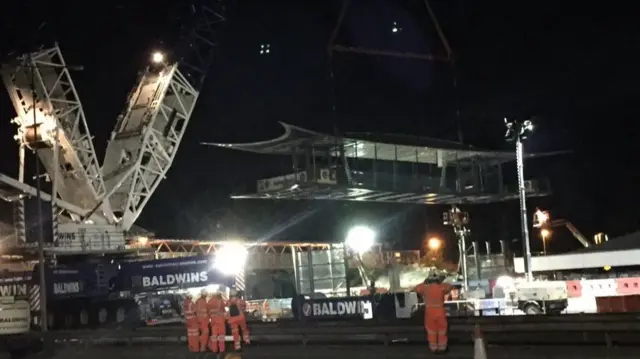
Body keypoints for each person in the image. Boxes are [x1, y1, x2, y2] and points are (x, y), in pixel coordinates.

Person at [414, 271, 453, 353]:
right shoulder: (442, 287)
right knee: (442, 329)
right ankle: (442, 347)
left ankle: (433, 347)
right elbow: (449, 287)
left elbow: (417, 288)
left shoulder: (425, 288)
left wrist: (425, 281)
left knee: (431, 330)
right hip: (440, 310)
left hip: (429, 311)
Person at [207, 290, 227, 355]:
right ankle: (222, 350)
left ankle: (214, 349)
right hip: (220, 321)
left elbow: (208, 311)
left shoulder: (210, 301)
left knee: (214, 336)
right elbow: (223, 310)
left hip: (213, 321)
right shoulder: (220, 300)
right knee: (221, 336)